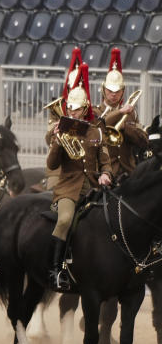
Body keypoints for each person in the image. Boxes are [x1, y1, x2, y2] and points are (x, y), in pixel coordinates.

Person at [46, 64, 112, 292]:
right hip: (69, 188)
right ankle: (55, 269)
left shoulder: (96, 132)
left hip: (94, 186)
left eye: (76, 110)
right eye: (69, 109)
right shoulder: (62, 130)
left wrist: (106, 174)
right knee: (65, 220)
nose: (72, 113)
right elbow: (52, 164)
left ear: (85, 109)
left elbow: (105, 160)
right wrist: (56, 141)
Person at [95, 48, 148, 179]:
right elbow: (99, 128)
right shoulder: (95, 112)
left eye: (117, 91)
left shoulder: (131, 114)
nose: (113, 94)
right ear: (103, 90)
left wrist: (126, 128)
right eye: (110, 90)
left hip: (129, 172)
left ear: (123, 91)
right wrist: (120, 112)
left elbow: (143, 142)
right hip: (104, 174)